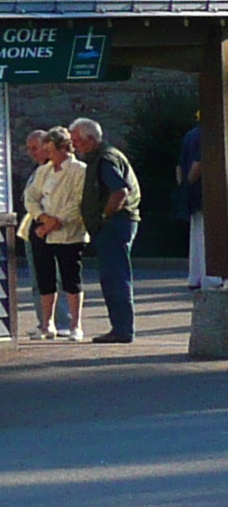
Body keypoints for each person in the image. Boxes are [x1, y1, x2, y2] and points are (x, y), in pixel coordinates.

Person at [71, 116, 142, 343]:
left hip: (115, 225)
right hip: (115, 225)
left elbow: (119, 191)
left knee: (115, 278)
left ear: (90, 139)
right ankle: (120, 328)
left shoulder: (105, 159)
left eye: (77, 141)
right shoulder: (101, 157)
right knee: (112, 277)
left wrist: (104, 216)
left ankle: (122, 330)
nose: (74, 146)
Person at [20, 127, 86, 339]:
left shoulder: (79, 170)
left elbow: (79, 202)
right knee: (44, 279)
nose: (47, 154)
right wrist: (42, 217)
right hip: (42, 232)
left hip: (69, 233)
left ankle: (75, 325)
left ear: (63, 148)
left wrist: (55, 222)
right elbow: (30, 197)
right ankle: (47, 324)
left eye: (50, 149)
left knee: (71, 278)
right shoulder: (44, 170)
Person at [182, 122, 207, 291]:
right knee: (209, 234)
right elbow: (199, 163)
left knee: (197, 233)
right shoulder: (209, 134)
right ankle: (210, 277)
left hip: (193, 190)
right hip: (208, 190)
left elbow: (180, 164)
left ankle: (195, 276)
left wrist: (184, 188)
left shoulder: (191, 134)